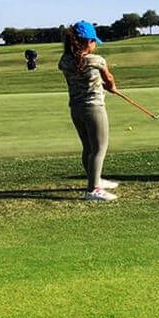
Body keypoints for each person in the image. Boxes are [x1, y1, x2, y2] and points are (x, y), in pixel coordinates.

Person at [58, 21, 119, 201]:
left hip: (76, 109)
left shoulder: (64, 61)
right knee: (99, 148)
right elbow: (108, 78)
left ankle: (95, 179)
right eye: (93, 42)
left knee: (88, 147)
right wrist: (112, 87)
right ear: (88, 42)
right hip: (94, 108)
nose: (94, 46)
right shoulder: (96, 60)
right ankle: (93, 189)